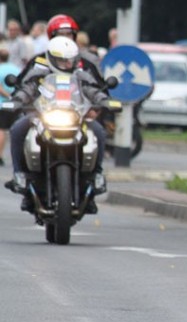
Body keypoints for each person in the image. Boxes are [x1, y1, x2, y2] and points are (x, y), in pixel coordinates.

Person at [4, 37, 111, 211]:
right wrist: (16, 101)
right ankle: (20, 175)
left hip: (75, 119)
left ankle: (95, 177)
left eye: (69, 60)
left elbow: (93, 90)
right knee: (18, 129)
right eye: (61, 59)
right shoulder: (39, 74)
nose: (66, 63)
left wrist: (105, 101)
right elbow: (27, 89)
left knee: (98, 131)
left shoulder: (80, 76)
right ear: (51, 58)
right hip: (42, 118)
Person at [0, 48, 20, 166]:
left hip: (2, 103)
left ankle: (0, 155)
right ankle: (16, 156)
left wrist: (7, 95)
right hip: (16, 104)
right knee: (16, 131)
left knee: (1, 130)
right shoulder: (16, 69)